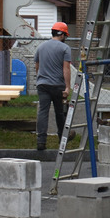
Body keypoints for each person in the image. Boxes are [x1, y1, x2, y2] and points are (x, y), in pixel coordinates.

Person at [34, 21, 72, 152]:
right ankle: (63, 139)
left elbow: (37, 67)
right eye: (65, 36)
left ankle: (41, 141)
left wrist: (41, 79)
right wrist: (67, 87)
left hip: (42, 85)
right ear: (62, 34)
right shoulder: (64, 48)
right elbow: (66, 69)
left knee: (43, 112)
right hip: (57, 85)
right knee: (59, 112)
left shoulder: (41, 47)